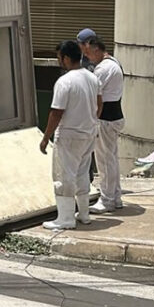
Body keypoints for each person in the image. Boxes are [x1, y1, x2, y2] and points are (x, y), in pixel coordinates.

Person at [39, 40, 102, 230]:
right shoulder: (92, 78)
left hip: (69, 136)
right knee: (83, 173)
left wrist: (45, 138)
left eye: (59, 58)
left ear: (66, 58)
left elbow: (56, 112)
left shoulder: (64, 81)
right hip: (88, 133)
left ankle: (65, 219)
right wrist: (91, 120)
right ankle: (84, 214)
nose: (59, 61)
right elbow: (100, 103)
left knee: (63, 176)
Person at [86, 36, 125, 213]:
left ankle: (108, 199)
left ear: (96, 50)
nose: (87, 57)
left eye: (88, 53)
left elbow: (92, 94)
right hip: (112, 117)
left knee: (104, 161)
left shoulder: (104, 68)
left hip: (105, 119)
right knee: (110, 159)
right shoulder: (113, 63)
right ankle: (114, 196)